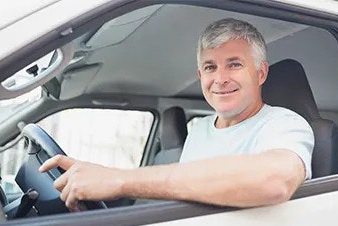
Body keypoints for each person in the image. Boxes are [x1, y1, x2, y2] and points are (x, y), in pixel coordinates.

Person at [39, 18, 314, 212]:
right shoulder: (201, 129)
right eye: (210, 67)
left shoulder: (285, 124)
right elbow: (186, 196)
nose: (219, 79)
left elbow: (273, 182)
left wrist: (119, 180)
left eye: (234, 64)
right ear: (200, 75)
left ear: (261, 73)